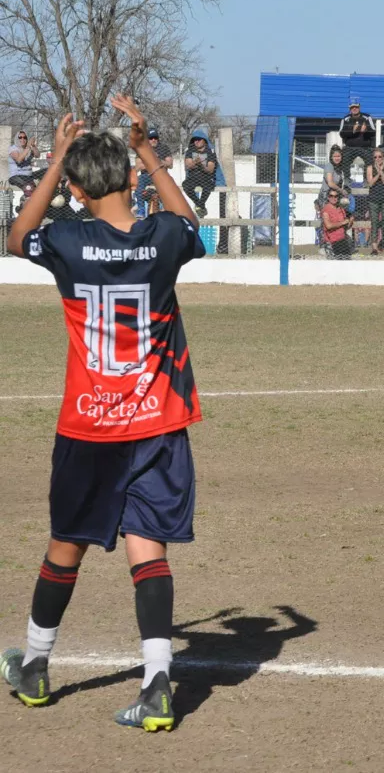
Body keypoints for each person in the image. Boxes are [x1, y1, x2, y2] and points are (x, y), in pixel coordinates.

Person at [1, 96, 205, 731]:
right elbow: (189, 219)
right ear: (127, 178)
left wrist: (56, 157)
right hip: (156, 423)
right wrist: (148, 148)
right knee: (149, 550)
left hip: (90, 425)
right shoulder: (163, 236)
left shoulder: (65, 241)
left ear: (76, 188)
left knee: (68, 545)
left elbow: (14, 237)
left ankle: (34, 666)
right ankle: (157, 684)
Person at [133, 129, 173, 216]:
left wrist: (158, 160)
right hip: (146, 176)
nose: (153, 140)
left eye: (155, 138)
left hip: (161, 175)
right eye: (151, 138)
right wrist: (152, 160)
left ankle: (166, 209)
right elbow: (139, 166)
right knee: (138, 181)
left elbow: (170, 164)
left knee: (169, 184)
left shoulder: (164, 148)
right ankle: (141, 209)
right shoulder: (142, 149)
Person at [182, 128, 218, 218]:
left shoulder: (210, 152)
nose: (196, 141)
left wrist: (201, 165)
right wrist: (195, 162)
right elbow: (187, 165)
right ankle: (200, 204)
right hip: (193, 177)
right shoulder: (190, 150)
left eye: (198, 139)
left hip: (206, 176)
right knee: (186, 185)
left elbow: (210, 169)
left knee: (209, 186)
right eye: (194, 140)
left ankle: (200, 205)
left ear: (204, 141)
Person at [339, 99, 375, 174]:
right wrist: (352, 131)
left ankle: (367, 180)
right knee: (345, 162)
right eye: (352, 107)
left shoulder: (367, 117)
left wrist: (365, 131)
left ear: (359, 107)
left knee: (369, 163)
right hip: (350, 147)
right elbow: (341, 134)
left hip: (365, 147)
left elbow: (373, 132)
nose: (354, 109)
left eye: (356, 107)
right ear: (350, 109)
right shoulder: (345, 119)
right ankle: (346, 181)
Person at [321, 189, 355, 259]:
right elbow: (328, 226)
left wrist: (350, 222)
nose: (333, 198)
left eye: (336, 196)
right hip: (332, 242)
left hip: (342, 240)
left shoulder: (341, 209)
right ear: (328, 197)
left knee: (347, 262)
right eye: (331, 196)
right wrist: (343, 222)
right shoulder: (326, 209)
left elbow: (345, 228)